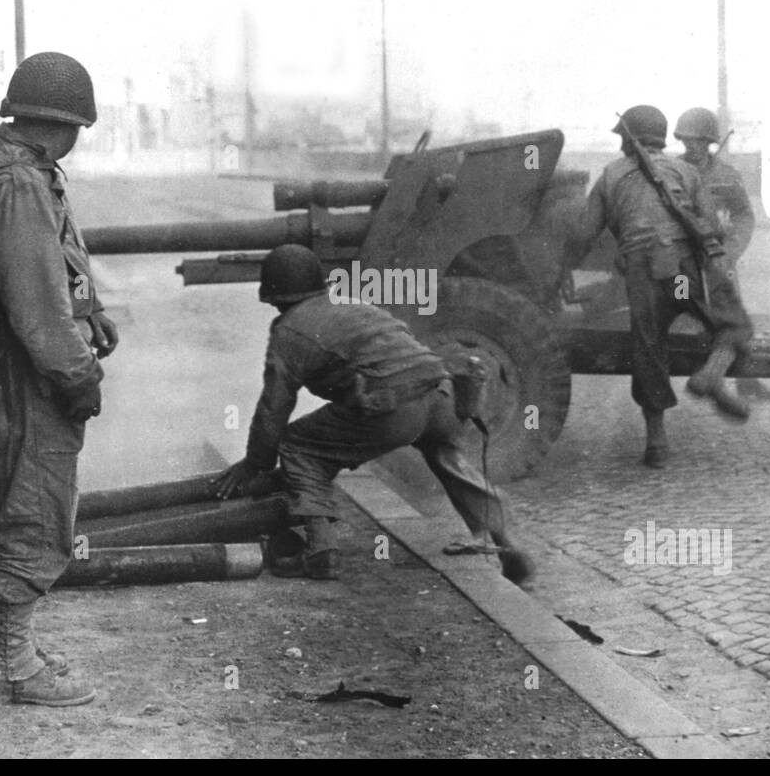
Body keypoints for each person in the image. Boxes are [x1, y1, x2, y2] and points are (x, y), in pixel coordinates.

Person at [212, 244, 534, 585]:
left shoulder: (287, 331)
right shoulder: (352, 305)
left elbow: (274, 406)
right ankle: (513, 549)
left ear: (274, 296)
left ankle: (320, 550)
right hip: (443, 394)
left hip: (394, 408)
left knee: (298, 445)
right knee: (445, 454)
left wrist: (256, 462)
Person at [0, 52, 118, 706]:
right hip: (23, 373)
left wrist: (90, 306)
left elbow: (48, 264)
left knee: (20, 495)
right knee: (37, 504)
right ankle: (10, 666)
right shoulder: (22, 182)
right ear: (66, 123)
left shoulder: (3, 159)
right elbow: (35, 301)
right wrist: (76, 375)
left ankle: (13, 647)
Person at [581, 104, 754, 468]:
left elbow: (585, 234)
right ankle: (712, 375)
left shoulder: (611, 175)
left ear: (630, 140)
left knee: (650, 345)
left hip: (642, 278)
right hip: (678, 275)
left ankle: (656, 442)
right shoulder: (686, 172)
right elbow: (709, 227)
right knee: (731, 323)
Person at [674, 107, 770, 401]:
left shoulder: (727, 176)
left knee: (735, 320)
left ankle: (746, 381)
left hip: (719, 260)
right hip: (684, 263)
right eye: (686, 140)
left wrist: (732, 250)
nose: (690, 145)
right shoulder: (673, 172)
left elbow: (745, 215)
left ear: (709, 141)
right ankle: (712, 373)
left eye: (697, 140)